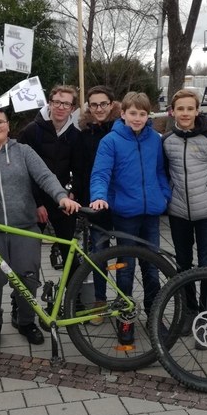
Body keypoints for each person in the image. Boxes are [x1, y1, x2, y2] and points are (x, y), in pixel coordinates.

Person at [0, 109, 80, 351]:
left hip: (24, 228)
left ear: (8, 126)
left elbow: (45, 176)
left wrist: (61, 197)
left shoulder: (23, 152)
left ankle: (26, 321)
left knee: (27, 279)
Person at [89, 91, 171, 345]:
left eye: (142, 114)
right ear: (122, 113)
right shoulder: (111, 141)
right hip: (125, 214)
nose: (137, 118)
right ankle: (126, 317)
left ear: (149, 116)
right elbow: (101, 173)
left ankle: (154, 316)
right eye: (132, 113)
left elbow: (159, 171)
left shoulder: (154, 140)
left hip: (151, 215)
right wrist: (100, 196)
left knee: (152, 269)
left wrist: (164, 195)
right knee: (126, 270)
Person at [162, 89, 207, 334]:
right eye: (180, 109)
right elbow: (165, 172)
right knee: (183, 263)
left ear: (197, 110)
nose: (185, 113)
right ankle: (188, 310)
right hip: (178, 211)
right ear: (173, 112)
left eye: (190, 108)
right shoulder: (166, 141)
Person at [73, 85, 121, 324]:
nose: (99, 108)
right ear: (88, 107)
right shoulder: (83, 135)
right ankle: (100, 301)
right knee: (98, 254)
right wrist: (83, 204)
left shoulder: (123, 129)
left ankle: (125, 300)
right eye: (94, 104)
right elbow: (81, 173)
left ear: (112, 104)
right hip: (95, 203)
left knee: (126, 256)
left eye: (103, 104)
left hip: (122, 202)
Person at [17, 85, 80, 257]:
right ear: (49, 103)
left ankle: (72, 283)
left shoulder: (75, 135)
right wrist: (37, 203)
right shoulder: (31, 131)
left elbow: (79, 168)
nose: (61, 107)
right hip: (34, 199)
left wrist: (72, 192)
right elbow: (21, 170)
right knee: (27, 255)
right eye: (57, 102)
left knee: (70, 251)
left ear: (72, 109)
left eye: (66, 104)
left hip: (62, 199)